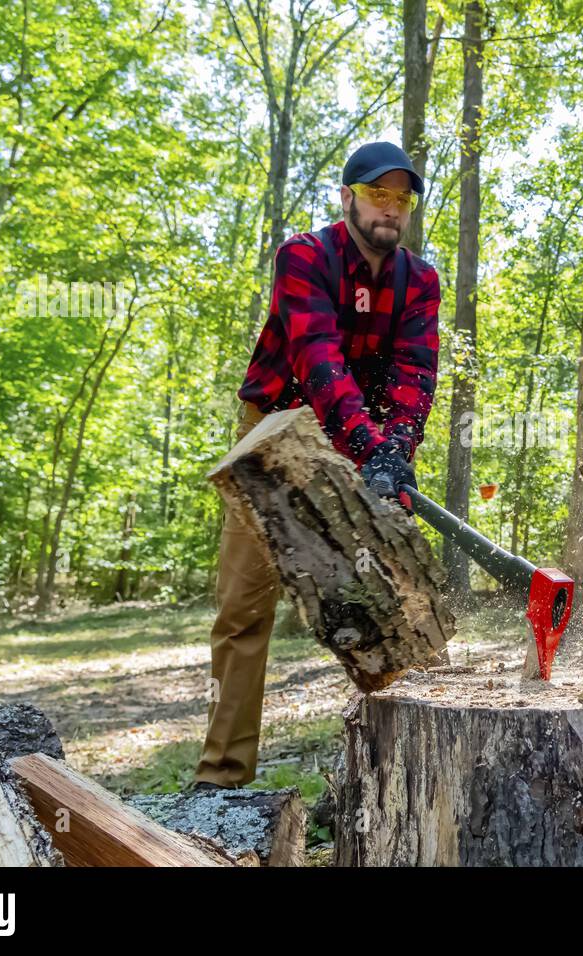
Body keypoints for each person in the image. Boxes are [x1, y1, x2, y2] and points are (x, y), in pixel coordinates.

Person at [192, 142, 441, 790]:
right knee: (245, 607)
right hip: (273, 436)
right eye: (375, 194)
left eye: (400, 198)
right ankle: (220, 778)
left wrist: (396, 451)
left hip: (360, 442)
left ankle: (401, 781)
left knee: (387, 600)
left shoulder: (420, 282)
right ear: (347, 198)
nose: (389, 208)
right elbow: (317, 356)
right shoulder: (303, 257)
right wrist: (371, 444)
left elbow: (415, 373)